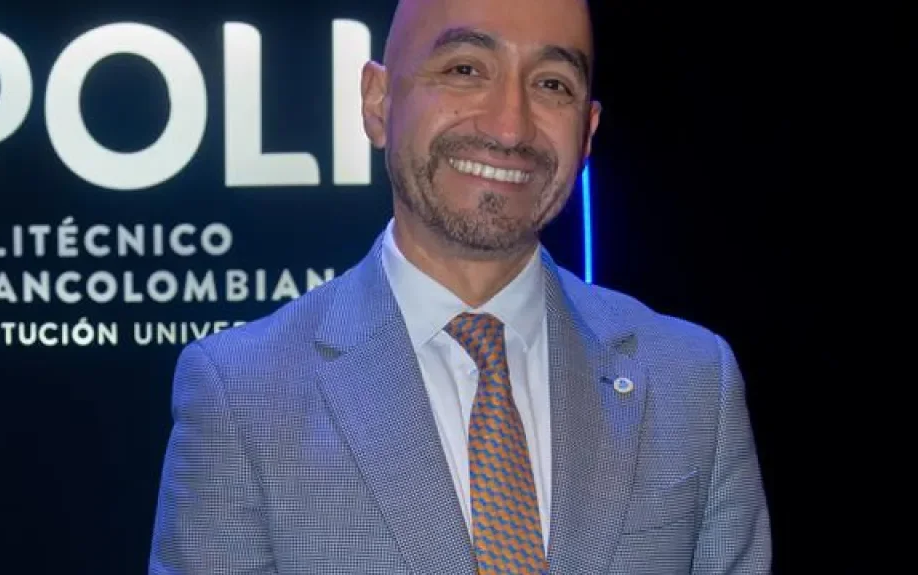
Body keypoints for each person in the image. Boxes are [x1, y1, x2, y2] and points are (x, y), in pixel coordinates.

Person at [149, 0, 771, 572]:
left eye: (552, 85)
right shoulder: (243, 396)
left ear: (587, 131)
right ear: (377, 102)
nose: (509, 127)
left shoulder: (693, 384)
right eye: (466, 70)